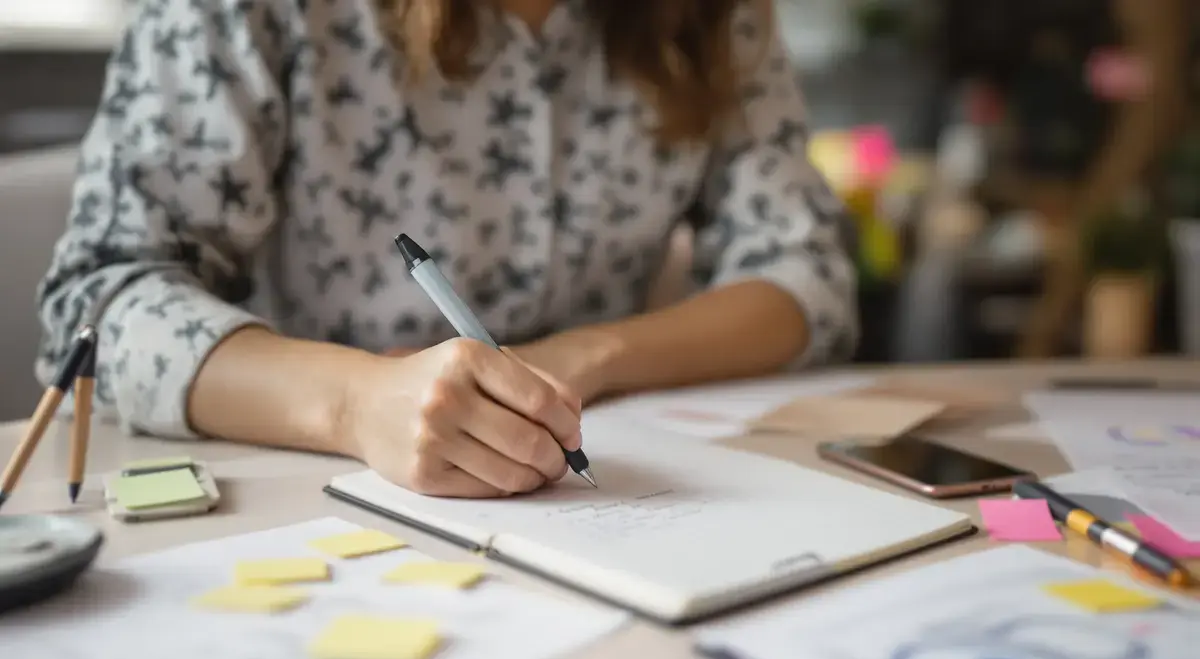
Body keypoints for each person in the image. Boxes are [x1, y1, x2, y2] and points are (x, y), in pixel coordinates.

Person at [35, 0, 858, 498]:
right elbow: (99, 307)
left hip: (596, 492)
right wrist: (360, 403)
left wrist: (579, 357)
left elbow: (805, 274)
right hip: (321, 502)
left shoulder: (713, 13)